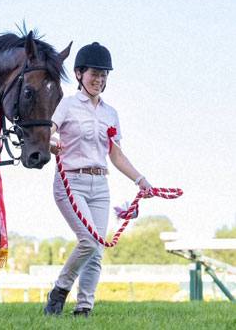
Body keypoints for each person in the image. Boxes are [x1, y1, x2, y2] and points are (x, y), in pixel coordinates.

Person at [44, 42, 152, 317]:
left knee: (97, 251)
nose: (99, 80)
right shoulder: (66, 105)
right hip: (71, 182)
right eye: (95, 73)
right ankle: (59, 290)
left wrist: (140, 179)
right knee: (89, 241)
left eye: (104, 75)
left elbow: (115, 154)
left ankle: (84, 308)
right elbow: (48, 132)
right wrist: (52, 141)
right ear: (79, 73)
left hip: (100, 185)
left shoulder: (110, 113)